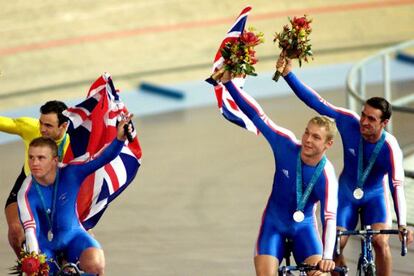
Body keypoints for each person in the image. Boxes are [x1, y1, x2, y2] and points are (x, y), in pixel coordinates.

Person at [277, 56, 414, 276]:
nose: (364, 122)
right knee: (334, 247)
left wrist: (403, 223)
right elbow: (316, 102)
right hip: (346, 193)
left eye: (371, 119)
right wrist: (288, 75)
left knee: (380, 242)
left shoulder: (390, 147)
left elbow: (396, 185)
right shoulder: (349, 122)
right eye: (363, 115)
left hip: (375, 196)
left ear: (384, 123)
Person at [217, 70, 339, 275]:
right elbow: (257, 114)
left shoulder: (327, 175)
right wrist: (229, 84)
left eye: (316, 137)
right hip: (273, 225)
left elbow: (330, 217)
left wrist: (327, 257)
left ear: (328, 144)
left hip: (304, 230)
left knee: (321, 275)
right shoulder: (285, 144)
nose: (308, 140)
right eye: (307, 133)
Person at [17, 115, 132, 275]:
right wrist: (34, 260)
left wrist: (119, 139)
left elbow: (102, 158)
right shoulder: (26, 192)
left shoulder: (71, 173)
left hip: (73, 236)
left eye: (41, 158)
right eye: (31, 157)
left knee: (96, 265)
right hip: (44, 245)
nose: (34, 163)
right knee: (39, 271)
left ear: (55, 161)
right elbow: (30, 231)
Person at [1, 100, 70, 256]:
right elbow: (5, 123)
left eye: (49, 126)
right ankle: (29, 268)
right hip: (28, 186)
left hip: (59, 192)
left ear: (64, 126)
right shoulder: (31, 127)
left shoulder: (75, 142)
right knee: (16, 233)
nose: (42, 129)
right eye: (41, 123)